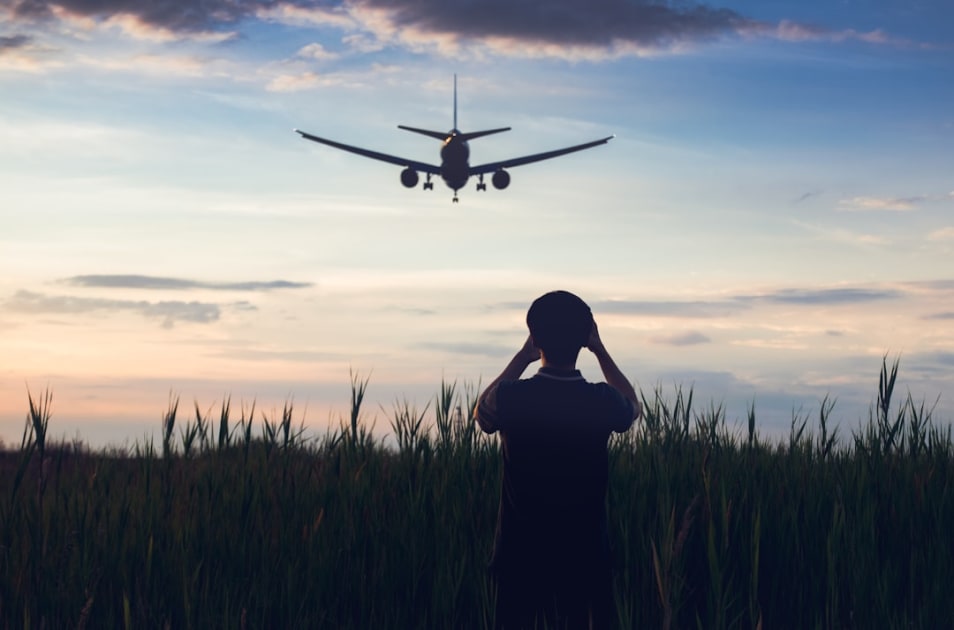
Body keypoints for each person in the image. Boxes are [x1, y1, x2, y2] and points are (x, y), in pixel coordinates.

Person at [475, 290, 641, 629]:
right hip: (584, 557)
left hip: (520, 557)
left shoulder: (511, 397)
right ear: (584, 338)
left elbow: (482, 413)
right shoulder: (600, 400)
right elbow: (632, 405)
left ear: (534, 337)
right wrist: (600, 349)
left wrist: (523, 357)